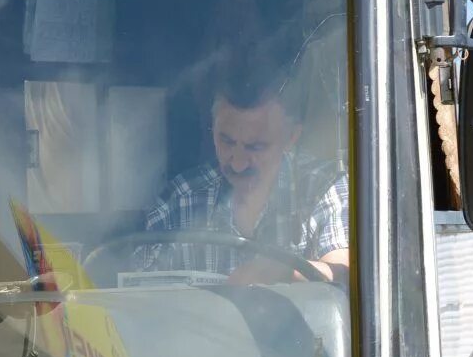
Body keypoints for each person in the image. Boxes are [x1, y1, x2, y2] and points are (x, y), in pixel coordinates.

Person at [137, 51, 349, 283]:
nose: (238, 163)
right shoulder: (180, 199)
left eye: (255, 147)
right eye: (226, 141)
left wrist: (287, 272)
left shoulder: (323, 188)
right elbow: (138, 295)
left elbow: (345, 274)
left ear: (291, 138)